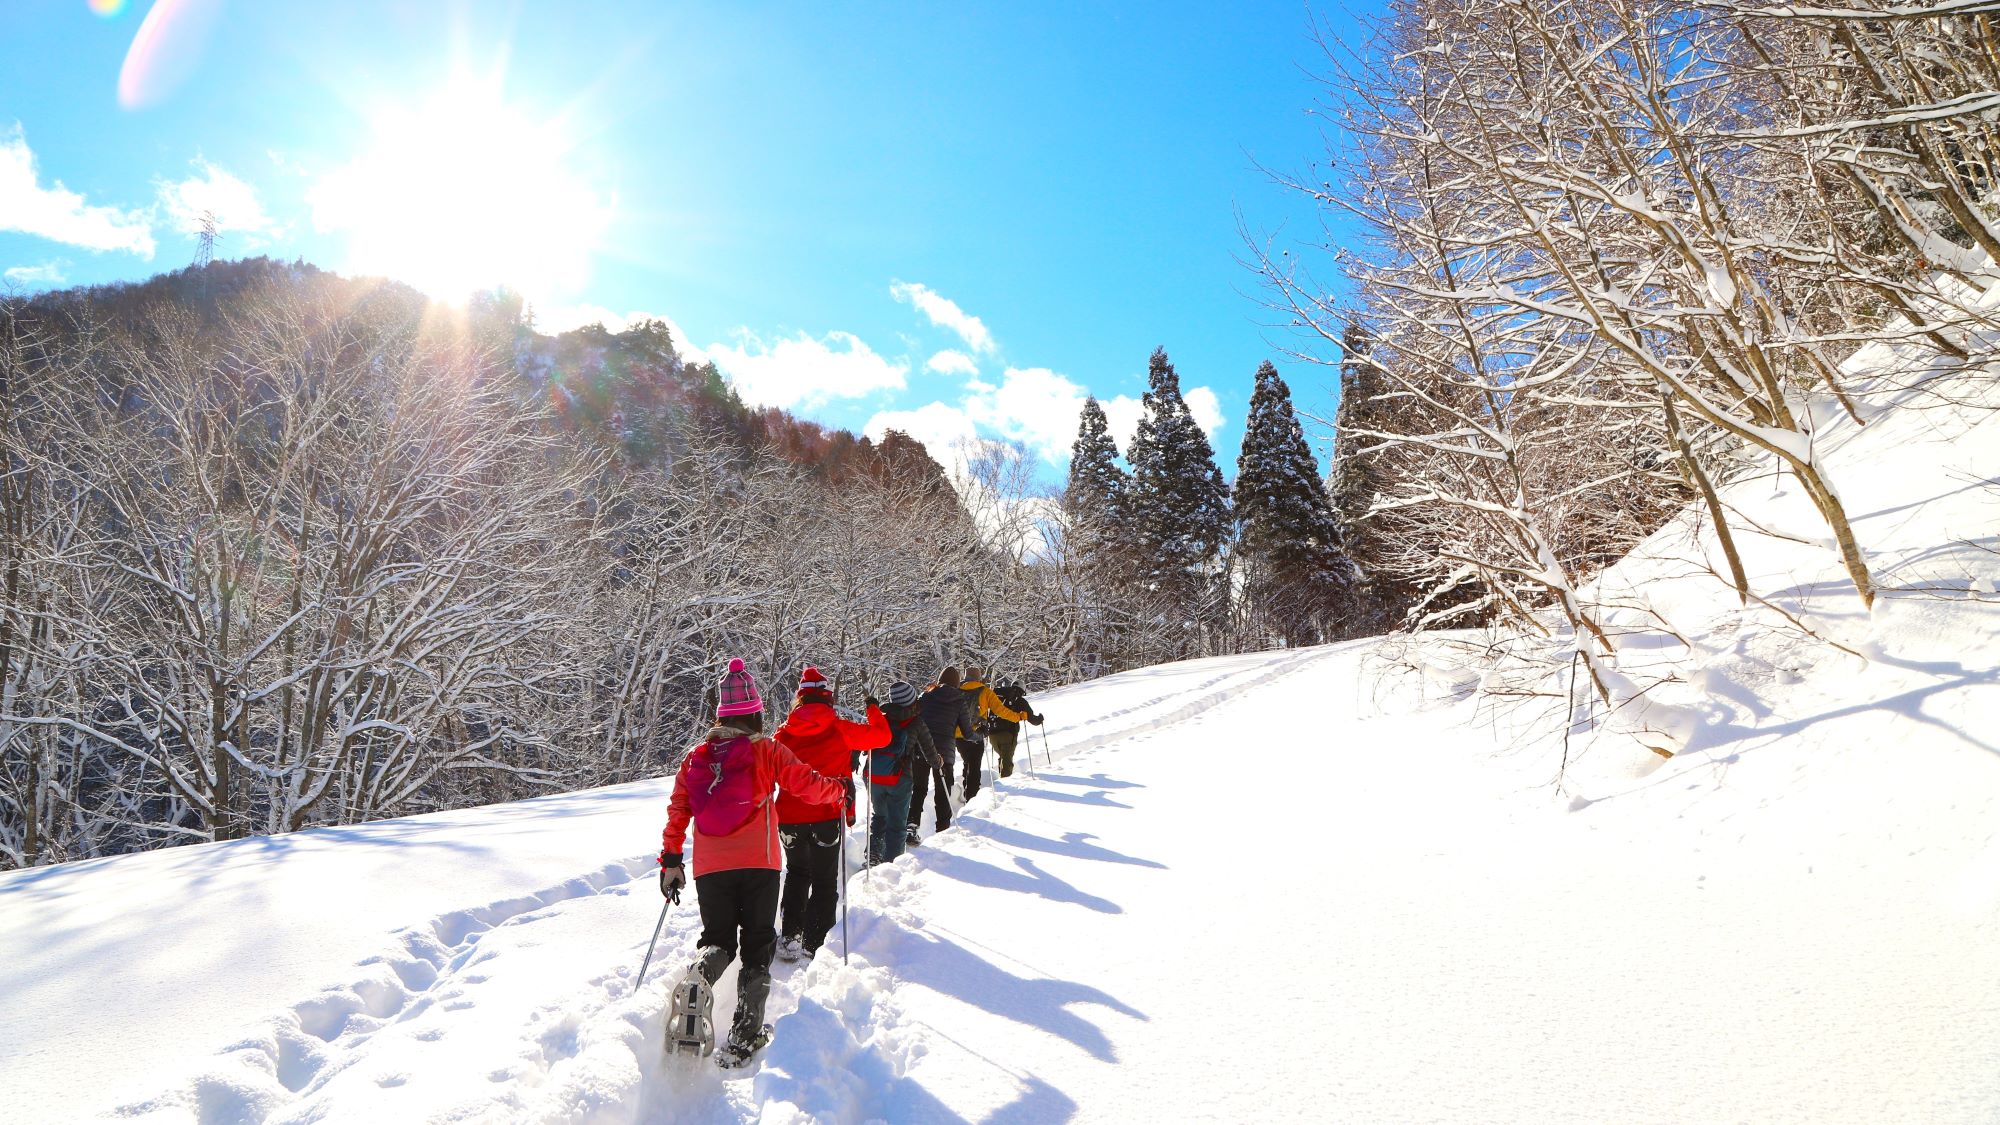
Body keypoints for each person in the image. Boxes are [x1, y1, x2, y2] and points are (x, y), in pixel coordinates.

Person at [658, 658, 845, 1067]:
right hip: (760, 864)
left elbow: (679, 810)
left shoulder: (695, 757)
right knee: (758, 945)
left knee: (718, 940)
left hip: (711, 867)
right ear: (756, 712)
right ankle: (744, 1036)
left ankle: (700, 976)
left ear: (721, 714)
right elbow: (805, 784)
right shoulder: (767, 750)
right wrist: (837, 790)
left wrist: (671, 860)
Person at [772, 666, 887, 963]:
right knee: (824, 878)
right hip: (827, 813)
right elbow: (882, 737)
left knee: (797, 872)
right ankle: (816, 942)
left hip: (789, 816)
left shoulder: (783, 733)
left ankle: (790, 936)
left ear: (800, 697)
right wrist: (873, 709)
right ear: (827, 696)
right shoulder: (839, 728)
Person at [869, 679, 946, 865]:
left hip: (874, 776)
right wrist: (938, 762)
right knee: (897, 823)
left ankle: (874, 855)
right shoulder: (916, 722)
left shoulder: (881, 718)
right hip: (899, 778)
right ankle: (892, 864)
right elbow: (929, 751)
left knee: (879, 817)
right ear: (912, 700)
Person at [908, 666, 978, 844]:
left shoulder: (926, 696)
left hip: (921, 747)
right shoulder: (959, 700)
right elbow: (967, 733)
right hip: (944, 752)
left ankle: (912, 826)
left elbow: (913, 718)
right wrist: (981, 735)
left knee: (919, 789)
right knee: (943, 791)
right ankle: (942, 829)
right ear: (957, 683)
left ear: (940, 680)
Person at [957, 666, 1031, 799]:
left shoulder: (956, 691)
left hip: (958, 735)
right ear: (979, 678)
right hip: (976, 733)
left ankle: (966, 792)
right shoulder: (985, 691)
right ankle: (971, 797)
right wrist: (1018, 717)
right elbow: (1001, 711)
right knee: (974, 767)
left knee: (967, 762)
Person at [984, 677, 1045, 779]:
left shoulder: (997, 695)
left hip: (992, 733)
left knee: (1003, 756)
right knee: (1007, 760)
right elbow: (1031, 719)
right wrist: (1039, 719)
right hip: (1008, 734)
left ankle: (1001, 780)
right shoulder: (1020, 701)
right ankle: (1005, 782)